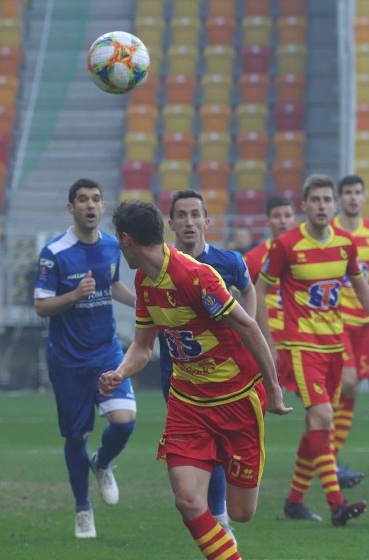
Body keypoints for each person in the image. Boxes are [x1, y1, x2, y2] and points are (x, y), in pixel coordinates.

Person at [100, 200, 292, 560]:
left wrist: (275, 388)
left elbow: (249, 328)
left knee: (240, 513)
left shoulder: (194, 276)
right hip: (188, 403)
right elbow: (142, 347)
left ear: (126, 239)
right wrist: (119, 372)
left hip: (236, 400)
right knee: (188, 500)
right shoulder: (144, 280)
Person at [255, 174, 369, 525]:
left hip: (336, 343)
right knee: (323, 417)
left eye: (326, 200)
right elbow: (259, 290)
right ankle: (337, 504)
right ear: (304, 205)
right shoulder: (286, 245)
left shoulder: (346, 243)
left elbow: (361, 285)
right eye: (315, 200)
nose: (321, 206)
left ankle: (294, 500)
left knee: (315, 423)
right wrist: (268, 341)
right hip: (303, 346)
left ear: (333, 205)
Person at [33, 178, 138, 539]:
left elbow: (114, 284)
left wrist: (144, 305)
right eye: (82, 200)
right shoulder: (55, 252)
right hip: (68, 361)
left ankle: (103, 462)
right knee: (76, 437)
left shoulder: (112, 246)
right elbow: (41, 307)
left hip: (106, 352)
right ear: (71, 208)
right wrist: (75, 294)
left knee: (124, 422)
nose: (90, 205)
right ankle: (82, 508)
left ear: (103, 207)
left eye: (95, 199)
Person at [160, 189, 256, 539]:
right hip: (177, 371)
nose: (189, 222)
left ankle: (220, 513)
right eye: (181, 215)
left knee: (220, 446)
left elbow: (249, 289)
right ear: (170, 224)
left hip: (229, 378)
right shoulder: (161, 267)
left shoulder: (229, 262)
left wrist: (249, 332)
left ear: (207, 221)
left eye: (195, 214)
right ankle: (217, 516)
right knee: (200, 448)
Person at [330, 174, 369, 487]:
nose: (353, 198)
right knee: (347, 382)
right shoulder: (331, 232)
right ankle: (328, 457)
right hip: (336, 321)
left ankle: (330, 456)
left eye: (357, 192)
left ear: (364, 197)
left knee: (352, 390)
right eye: (348, 192)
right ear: (340, 198)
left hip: (364, 324)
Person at [243, 195, 297, 383]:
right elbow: (244, 298)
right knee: (264, 399)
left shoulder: (306, 253)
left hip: (300, 338)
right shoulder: (253, 258)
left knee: (316, 404)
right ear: (267, 221)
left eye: (287, 215)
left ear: (295, 219)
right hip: (268, 338)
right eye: (277, 216)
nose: (283, 220)